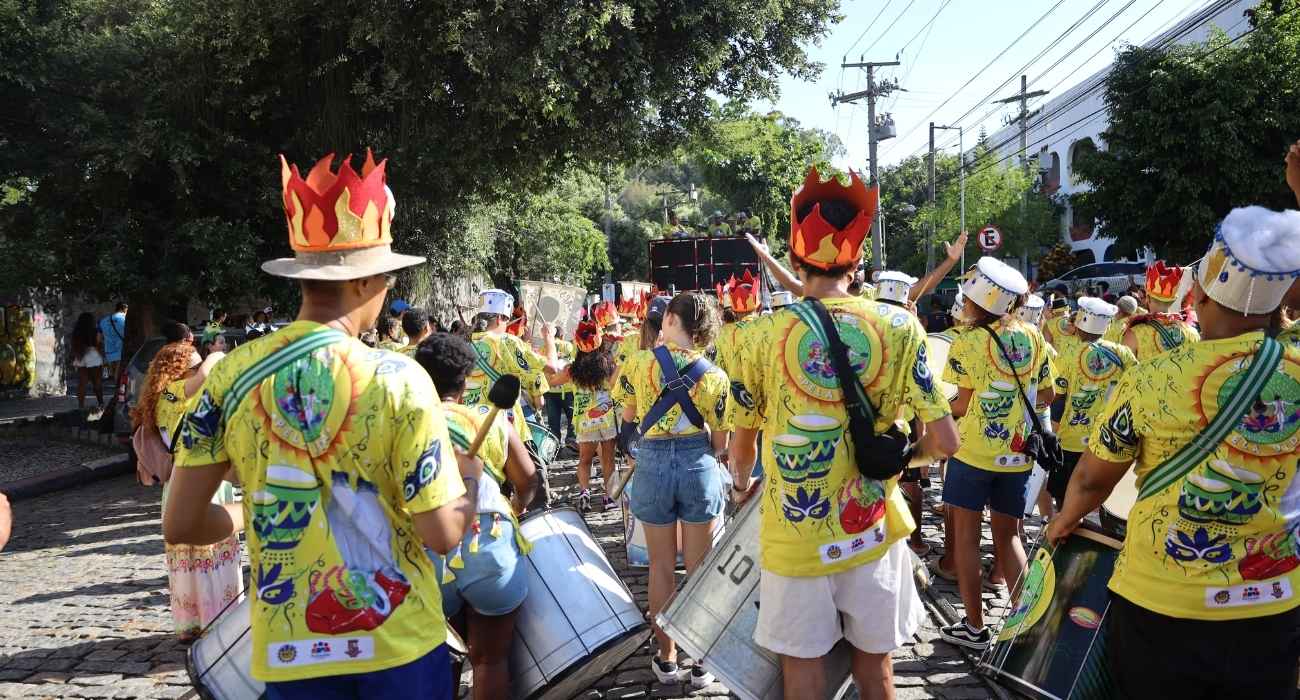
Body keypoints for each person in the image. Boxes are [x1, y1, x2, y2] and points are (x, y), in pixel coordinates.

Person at [164, 150, 482, 698]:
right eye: (385, 278)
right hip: (398, 643)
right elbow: (443, 532)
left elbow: (182, 523)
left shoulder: (232, 376)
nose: (387, 293)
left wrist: (252, 512)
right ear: (361, 284)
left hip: (291, 651)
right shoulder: (398, 378)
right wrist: (469, 479)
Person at [1048, 206, 1300, 699]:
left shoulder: (1148, 379)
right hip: (1270, 604)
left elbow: (1093, 482)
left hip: (1159, 599)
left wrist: (1062, 521)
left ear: (1199, 294)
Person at [728, 167, 959, 698]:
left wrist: (742, 487)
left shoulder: (756, 335)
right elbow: (946, 443)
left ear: (792, 260)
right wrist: (903, 460)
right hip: (873, 529)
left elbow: (741, 450)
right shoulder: (900, 326)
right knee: (876, 671)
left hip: (793, 533)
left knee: (802, 672)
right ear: (858, 263)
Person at [610, 292, 731, 688]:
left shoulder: (639, 363)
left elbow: (627, 422)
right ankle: (701, 660)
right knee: (700, 571)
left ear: (671, 320)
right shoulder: (714, 375)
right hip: (698, 465)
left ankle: (665, 659)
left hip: (653, 466)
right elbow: (722, 444)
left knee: (662, 567)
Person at [938, 256, 1057, 650]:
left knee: (968, 539)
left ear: (973, 299)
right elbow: (1048, 394)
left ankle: (974, 628)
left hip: (971, 454)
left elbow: (961, 404)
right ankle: (1026, 627)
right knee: (1009, 538)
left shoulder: (966, 341)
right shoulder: (1033, 336)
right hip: (1018, 454)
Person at [415, 332, 536, 700]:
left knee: (439, 661)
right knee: (491, 661)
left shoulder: (406, 424)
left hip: (427, 550)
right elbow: (529, 481)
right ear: (466, 380)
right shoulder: (490, 420)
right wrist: (514, 508)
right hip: (490, 542)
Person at [134, 341, 242, 640]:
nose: (197, 372)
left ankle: (190, 622)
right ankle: (217, 619)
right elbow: (207, 373)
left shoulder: (162, 396)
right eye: (191, 368)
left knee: (188, 561)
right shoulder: (174, 392)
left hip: (176, 485)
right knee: (211, 553)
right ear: (179, 370)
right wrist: (218, 353)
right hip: (201, 479)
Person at [1046, 297, 1136, 510]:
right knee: (1102, 501)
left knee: (1065, 500)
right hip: (1108, 438)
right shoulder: (1122, 353)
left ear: (1079, 325)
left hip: (1071, 439)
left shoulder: (1068, 355)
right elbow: (1136, 385)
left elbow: (1056, 395)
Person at [466, 289, 562, 421]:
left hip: (471, 420)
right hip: (501, 423)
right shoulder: (506, 341)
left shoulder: (466, 343)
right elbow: (553, 367)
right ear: (500, 318)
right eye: (507, 319)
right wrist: (549, 338)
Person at [561, 321, 618, 511]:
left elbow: (552, 380)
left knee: (584, 461)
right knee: (608, 461)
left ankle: (584, 492)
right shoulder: (609, 365)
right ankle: (609, 497)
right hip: (607, 418)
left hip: (584, 421)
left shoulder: (572, 370)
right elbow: (615, 383)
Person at [1121, 261, 1200, 361]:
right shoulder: (1192, 332)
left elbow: (1126, 370)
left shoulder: (1133, 334)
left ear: (1148, 298)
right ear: (1174, 300)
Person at [543, 328, 576, 450]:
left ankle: (554, 443)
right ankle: (571, 439)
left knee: (553, 420)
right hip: (567, 389)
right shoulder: (569, 346)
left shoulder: (545, 347)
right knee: (572, 417)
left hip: (551, 390)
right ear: (562, 335)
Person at [69, 311, 104, 409]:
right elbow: (98, 343)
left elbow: (74, 345)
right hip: (93, 356)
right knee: (97, 382)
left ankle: (81, 406)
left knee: (82, 383)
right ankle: (101, 404)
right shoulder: (95, 330)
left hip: (81, 356)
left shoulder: (77, 331)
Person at [99, 302, 128, 382]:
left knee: (112, 371)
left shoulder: (103, 321)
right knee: (118, 372)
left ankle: (112, 378)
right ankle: (117, 389)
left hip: (109, 350)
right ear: (124, 309)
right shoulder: (125, 319)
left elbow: (98, 338)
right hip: (120, 349)